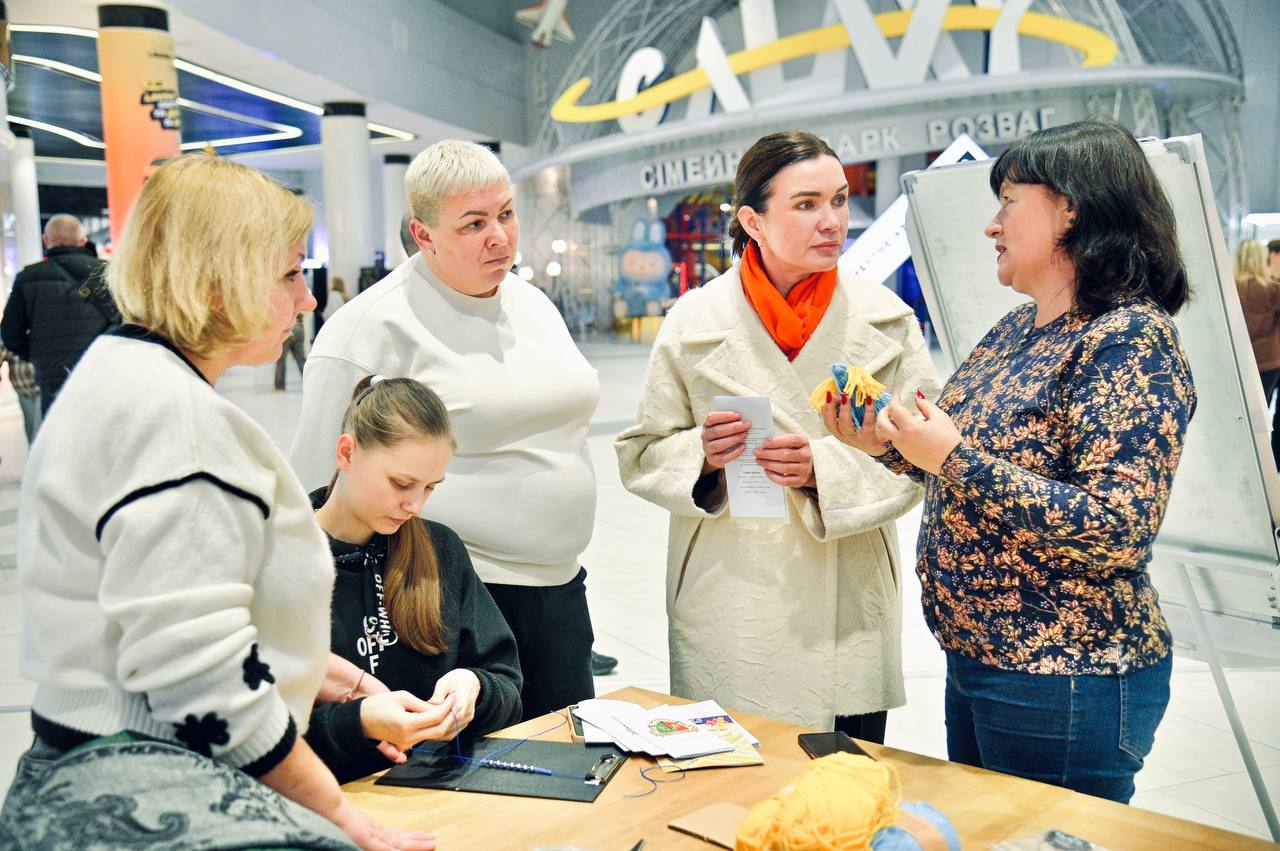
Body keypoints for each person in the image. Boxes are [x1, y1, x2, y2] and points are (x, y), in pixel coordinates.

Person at [0, 154, 434, 851]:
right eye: (289, 274)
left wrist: (344, 680)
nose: (307, 299)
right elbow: (198, 674)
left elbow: (179, 607)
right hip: (142, 784)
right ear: (214, 283)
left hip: (93, 763)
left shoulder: (122, 373)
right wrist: (340, 816)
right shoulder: (171, 417)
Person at [821, 119, 1196, 803]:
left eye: (1009, 203)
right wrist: (887, 445)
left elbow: (1117, 527)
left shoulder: (1129, 339)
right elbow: (962, 466)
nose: (992, 226)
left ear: (1071, 209)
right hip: (984, 656)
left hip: (1064, 672)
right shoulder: (1018, 328)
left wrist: (954, 456)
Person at [615, 131, 939, 738]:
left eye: (839, 200)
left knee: (840, 781)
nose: (832, 221)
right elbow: (642, 453)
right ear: (752, 221)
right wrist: (702, 456)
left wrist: (824, 470)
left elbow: (925, 456)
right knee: (733, 777)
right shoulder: (693, 322)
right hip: (730, 595)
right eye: (806, 204)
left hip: (847, 594)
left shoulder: (887, 322)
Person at [290, 140, 600, 722]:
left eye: (506, 213)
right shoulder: (367, 329)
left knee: (572, 756)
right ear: (423, 234)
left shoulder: (532, 304)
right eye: (474, 224)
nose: (499, 237)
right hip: (455, 597)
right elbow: (317, 487)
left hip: (560, 588)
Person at [306, 375, 522, 782]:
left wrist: (473, 687)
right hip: (325, 797)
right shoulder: (278, 559)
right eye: (401, 484)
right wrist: (357, 723)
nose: (415, 505)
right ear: (347, 453)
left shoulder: (439, 549)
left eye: (430, 488)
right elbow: (253, 734)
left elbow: (507, 685)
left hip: (437, 790)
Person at [0, 214, 118, 413]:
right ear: (83, 241)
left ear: (46, 240)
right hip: (100, 370)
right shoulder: (107, 273)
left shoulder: (28, 278)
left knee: (57, 429)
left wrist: (36, 355)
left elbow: (10, 333)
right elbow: (123, 321)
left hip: (52, 377)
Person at [1234, 239, 1280, 468]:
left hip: (1240, 360)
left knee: (1241, 412)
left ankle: (1240, 458)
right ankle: (1265, 463)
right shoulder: (1273, 289)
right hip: (1268, 361)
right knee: (1264, 413)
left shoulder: (1231, 289)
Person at [0, 345, 40, 444]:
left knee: (38, 430)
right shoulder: (10, 339)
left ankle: (38, 450)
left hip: (40, 388)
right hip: (22, 390)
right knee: (31, 427)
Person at [275, 315, 308, 391]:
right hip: (299, 328)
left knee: (281, 360)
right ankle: (310, 382)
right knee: (301, 359)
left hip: (286, 329)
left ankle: (279, 386)